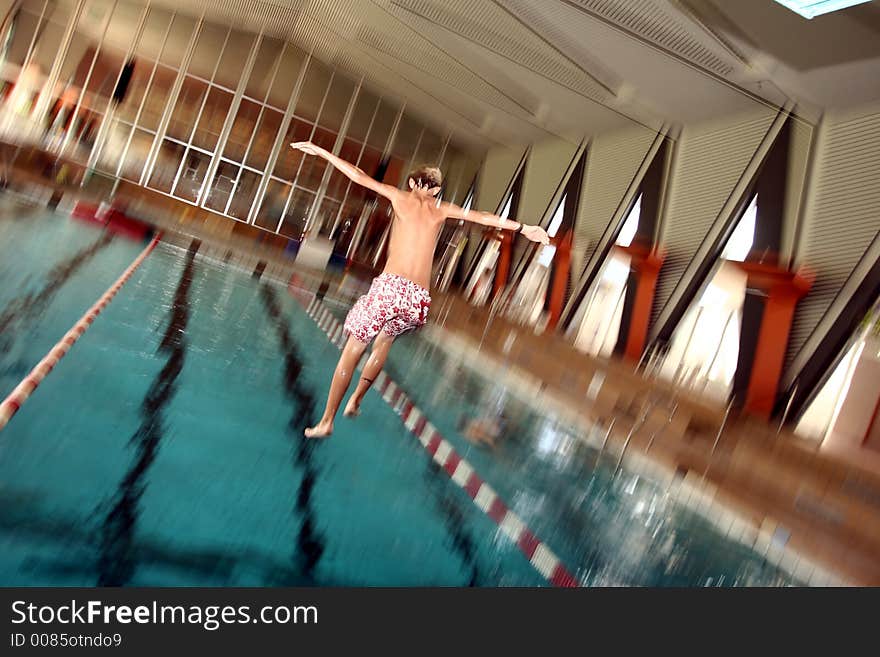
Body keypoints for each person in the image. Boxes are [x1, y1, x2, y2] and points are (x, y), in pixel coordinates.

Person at [290, 141, 548, 438]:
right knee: (384, 342)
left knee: (353, 349)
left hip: (390, 288)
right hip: (417, 299)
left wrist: (320, 150)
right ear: (437, 191)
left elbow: (359, 176)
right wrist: (524, 228)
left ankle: (327, 420)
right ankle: (357, 400)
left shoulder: (400, 198)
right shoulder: (442, 211)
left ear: (412, 182)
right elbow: (484, 217)